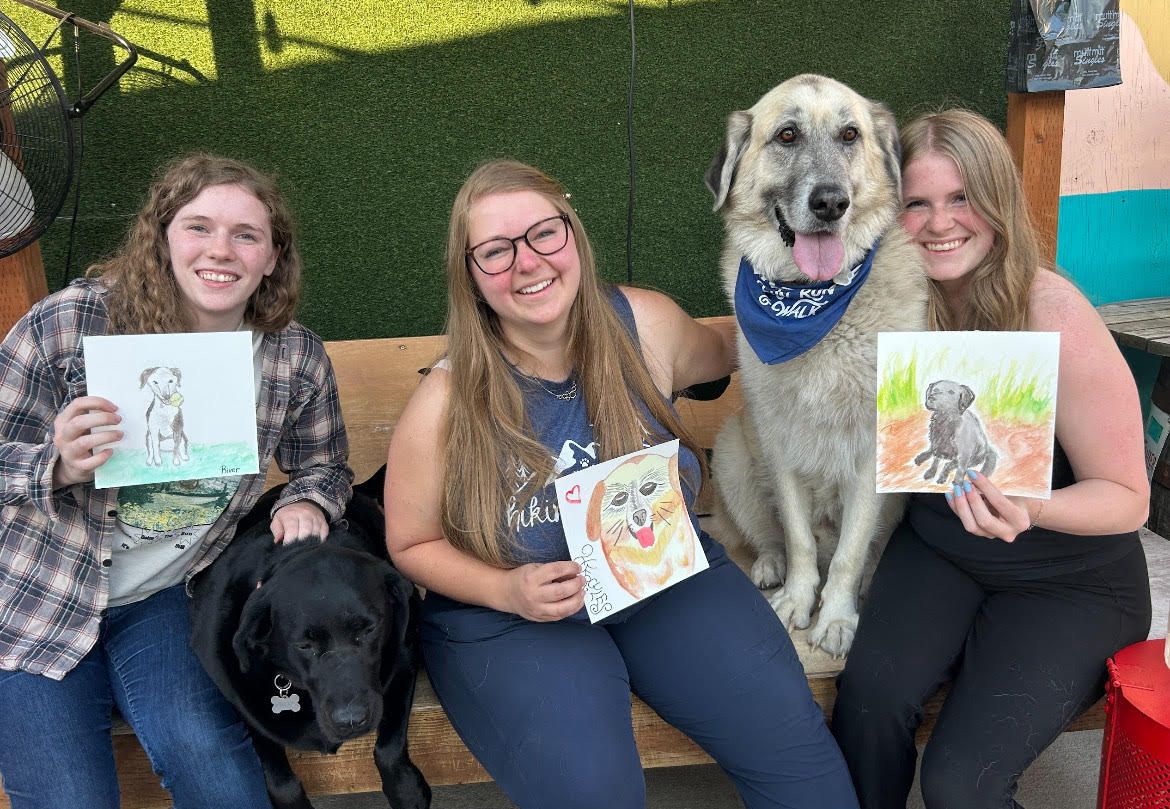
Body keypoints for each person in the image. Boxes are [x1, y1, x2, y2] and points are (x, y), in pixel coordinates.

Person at [384, 159, 859, 809]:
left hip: (658, 570)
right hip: (515, 608)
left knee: (802, 766)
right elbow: (410, 542)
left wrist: (814, 318)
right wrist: (505, 588)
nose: (527, 262)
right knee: (594, 793)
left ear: (573, 234)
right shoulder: (444, 399)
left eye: (543, 233)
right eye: (495, 250)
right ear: (469, 273)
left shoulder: (645, 323)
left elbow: (732, 345)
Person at [0, 154, 352, 808]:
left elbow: (326, 465)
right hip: (32, 599)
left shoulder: (292, 354)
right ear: (162, 236)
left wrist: (308, 497)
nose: (221, 250)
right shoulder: (70, 323)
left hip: (164, 599)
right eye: (198, 227)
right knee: (67, 797)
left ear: (273, 257)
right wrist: (57, 462)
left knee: (213, 766)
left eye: (246, 234)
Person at [831, 109, 1152, 809]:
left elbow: (1129, 495)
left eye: (961, 198)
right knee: (867, 704)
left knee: (961, 783)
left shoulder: (1053, 311)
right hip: (943, 548)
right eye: (917, 202)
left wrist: (1032, 505)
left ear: (997, 203)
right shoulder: (892, 308)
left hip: (1069, 577)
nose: (940, 222)